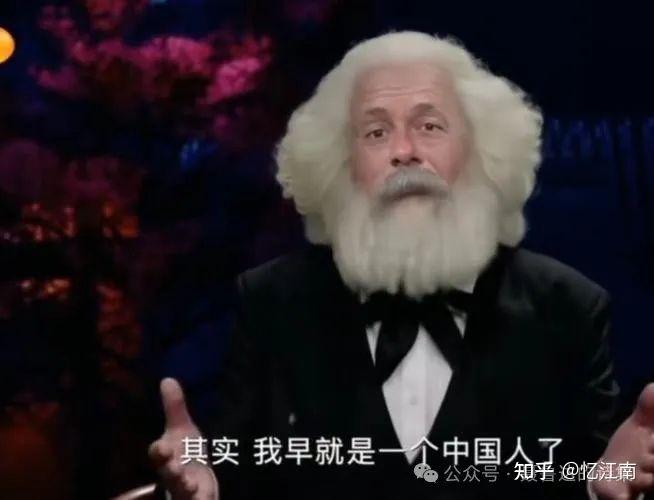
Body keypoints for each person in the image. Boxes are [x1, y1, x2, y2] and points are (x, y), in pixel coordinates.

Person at [148, 31, 654, 499]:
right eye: (375, 133)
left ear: (481, 152)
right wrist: (201, 487)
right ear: (340, 167)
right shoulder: (271, 302)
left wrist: (599, 489)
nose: (405, 152)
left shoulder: (568, 306)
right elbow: (238, 475)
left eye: (430, 126)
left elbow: (595, 473)